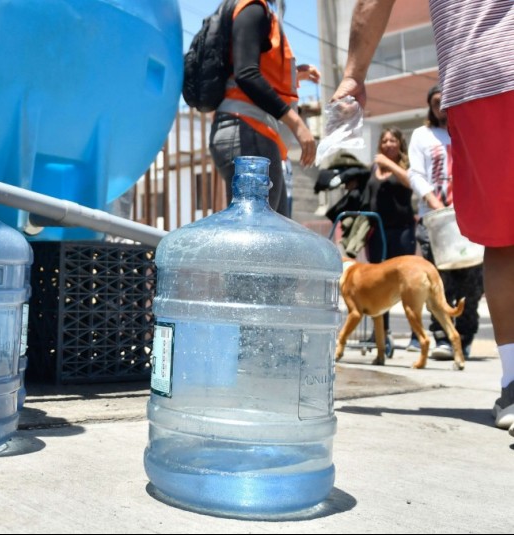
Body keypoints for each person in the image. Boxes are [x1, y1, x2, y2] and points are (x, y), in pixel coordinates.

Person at [331, 0, 514, 435]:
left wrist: (354, 72)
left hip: (481, 67)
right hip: (409, 220)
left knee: (505, 241)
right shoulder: (416, 142)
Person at [208, 0, 317, 216]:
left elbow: (251, 69)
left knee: (273, 234)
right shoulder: (253, 8)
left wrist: (296, 73)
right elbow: (246, 74)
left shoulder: (258, 11)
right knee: (259, 236)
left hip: (251, 133)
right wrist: (297, 124)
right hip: (249, 133)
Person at [405, 86, 483, 360]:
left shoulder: (467, 131)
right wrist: (434, 201)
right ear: (430, 106)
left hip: (469, 217)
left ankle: (465, 335)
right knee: (439, 280)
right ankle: (442, 336)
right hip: (436, 220)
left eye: (445, 101)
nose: (441, 106)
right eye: (436, 102)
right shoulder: (422, 135)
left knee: (472, 282)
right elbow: (414, 173)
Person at [364, 127, 415, 353]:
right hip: (377, 233)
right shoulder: (373, 169)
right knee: (378, 285)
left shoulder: (406, 167)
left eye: (392, 140)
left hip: (401, 232)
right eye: (384, 141)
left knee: (407, 285)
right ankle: (380, 333)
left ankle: (416, 335)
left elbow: (410, 183)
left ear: (400, 144)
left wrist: (390, 164)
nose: (387, 144)